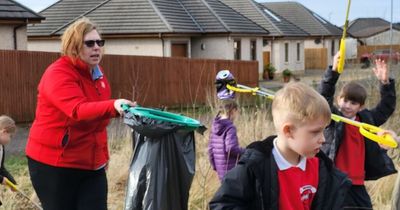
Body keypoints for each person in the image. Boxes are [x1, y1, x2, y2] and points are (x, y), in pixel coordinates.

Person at [25, 17, 135, 210]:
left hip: (91, 165)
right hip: (55, 164)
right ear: (74, 46)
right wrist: (114, 105)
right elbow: (77, 110)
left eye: (100, 42)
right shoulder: (58, 74)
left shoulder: (98, 76)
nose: (97, 48)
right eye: (90, 43)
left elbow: (98, 123)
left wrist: (104, 155)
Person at [209, 82, 351, 210]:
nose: (323, 139)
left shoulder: (323, 169)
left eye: (323, 130)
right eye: (315, 132)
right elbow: (222, 205)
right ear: (288, 130)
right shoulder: (254, 167)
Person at [319, 52, 396, 209]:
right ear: (338, 100)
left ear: (360, 107)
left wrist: (385, 82)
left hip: (357, 182)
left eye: (353, 103)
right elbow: (323, 97)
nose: (347, 105)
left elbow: (386, 107)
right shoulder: (333, 119)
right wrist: (333, 71)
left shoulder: (367, 120)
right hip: (335, 180)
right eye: (345, 100)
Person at [208, 99, 244, 180]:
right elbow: (231, 148)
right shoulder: (230, 128)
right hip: (232, 171)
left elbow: (210, 150)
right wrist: (245, 151)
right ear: (233, 110)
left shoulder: (214, 126)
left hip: (220, 171)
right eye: (236, 112)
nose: (236, 115)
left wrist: (215, 167)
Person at [0, 115, 17, 206]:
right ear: (4, 132)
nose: (10, 140)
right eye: (10, 136)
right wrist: (1, 179)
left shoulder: (1, 147)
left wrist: (12, 182)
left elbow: (1, 168)